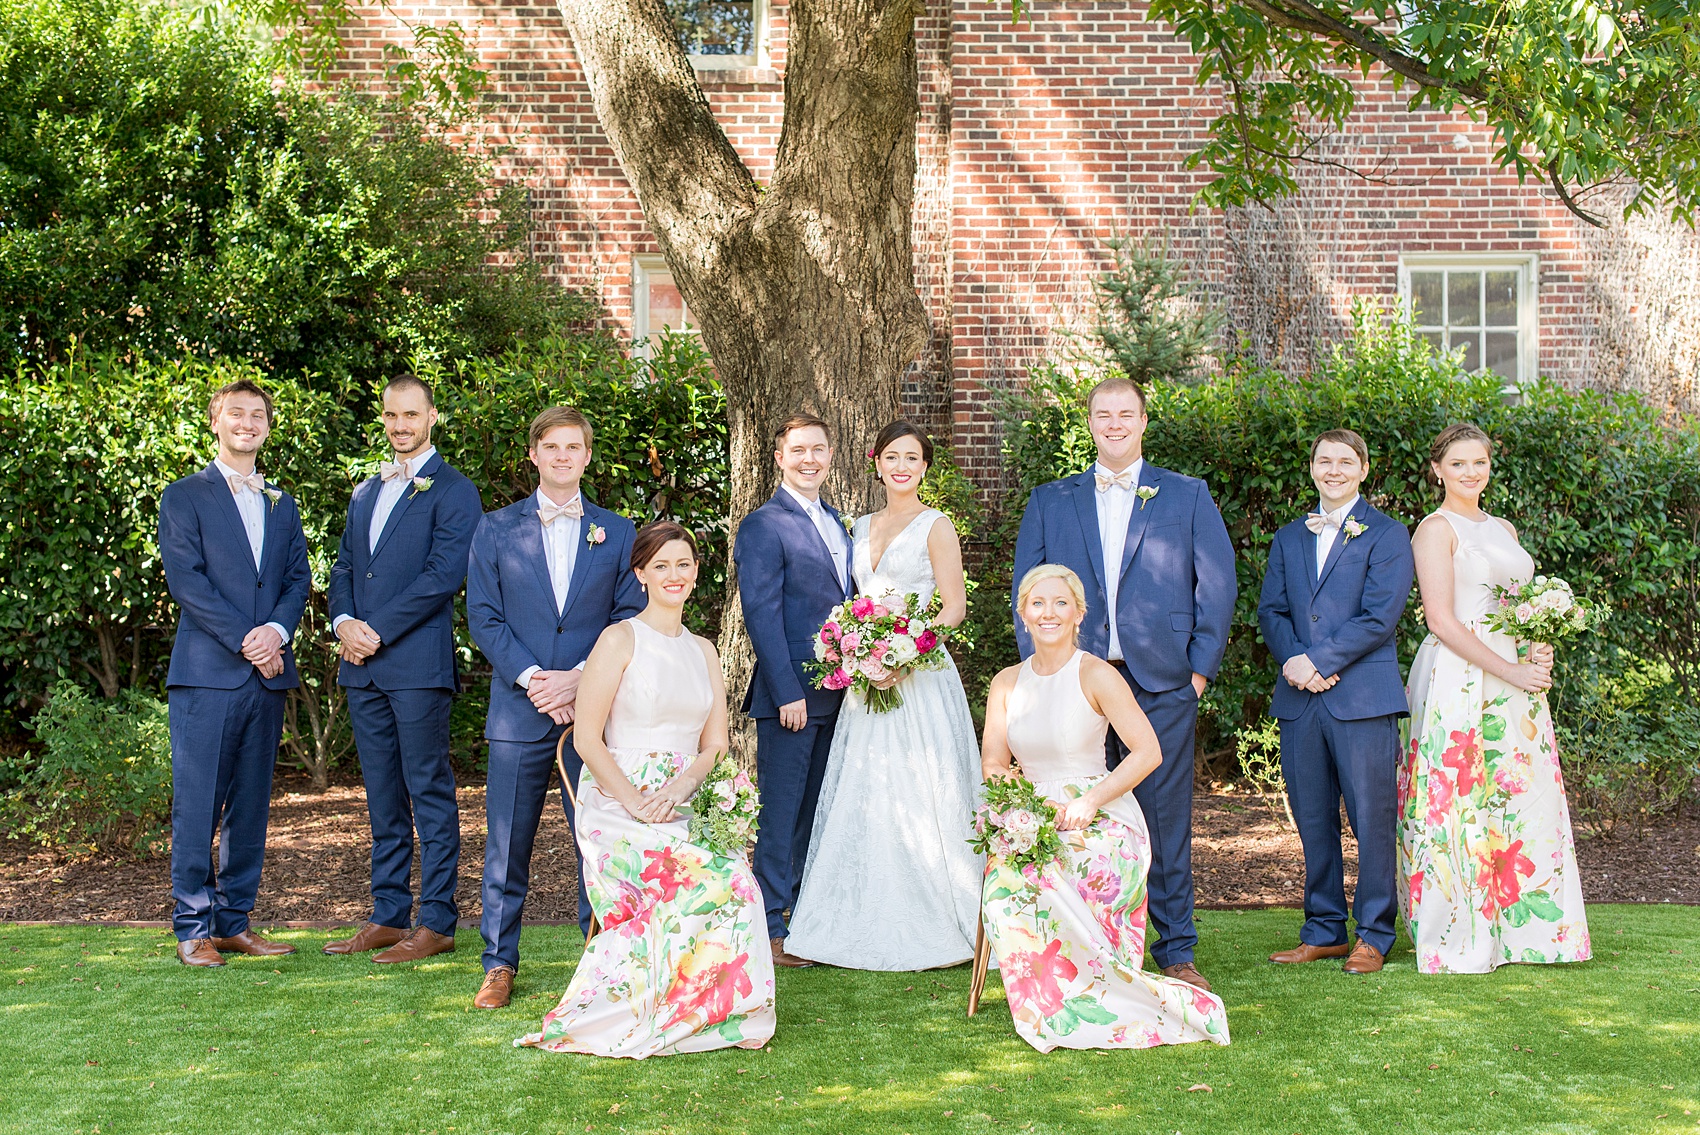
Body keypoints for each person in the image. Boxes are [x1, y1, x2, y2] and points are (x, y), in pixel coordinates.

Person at [517, 522, 776, 1057]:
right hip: (617, 802)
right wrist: (636, 802)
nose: (673, 575)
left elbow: (715, 745)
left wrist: (681, 788)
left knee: (739, 881)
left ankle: (714, 1012)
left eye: (683, 564)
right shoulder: (619, 639)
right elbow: (587, 739)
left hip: (685, 798)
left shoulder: (704, 649)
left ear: (696, 572)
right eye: (661, 566)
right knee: (702, 876)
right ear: (640, 574)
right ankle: (651, 1008)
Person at [1010, 377, 1235, 991]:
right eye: (1103, 414)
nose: (1114, 423)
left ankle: (1176, 946)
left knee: (1164, 813)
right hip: (1075, 682)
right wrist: (1044, 670)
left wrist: (1198, 669)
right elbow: (1025, 589)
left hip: (1160, 680)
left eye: (1126, 414)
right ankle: (1084, 936)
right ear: (1089, 422)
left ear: (1143, 422)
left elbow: (1216, 584)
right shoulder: (1051, 500)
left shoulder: (1186, 495)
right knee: (1077, 805)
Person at [979, 565, 1230, 1052]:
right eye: (1037, 603)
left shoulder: (1096, 673)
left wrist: (1090, 802)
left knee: (1085, 859)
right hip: (1030, 811)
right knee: (1010, 875)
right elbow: (993, 762)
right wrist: (1023, 807)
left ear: (1078, 614)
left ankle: (1099, 986)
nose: (1048, 612)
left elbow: (1148, 752)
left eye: (1060, 603)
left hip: (1101, 810)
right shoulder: (1006, 682)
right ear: (1022, 613)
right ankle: (1049, 993)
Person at [784, 421, 982, 970]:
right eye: (892, 456)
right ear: (876, 463)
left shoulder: (936, 526)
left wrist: (904, 654)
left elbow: (953, 606)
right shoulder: (859, 524)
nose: (901, 466)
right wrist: (860, 652)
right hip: (866, 679)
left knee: (924, 787)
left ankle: (941, 911)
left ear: (924, 467)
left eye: (912, 458)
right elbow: (855, 600)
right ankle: (852, 914)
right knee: (867, 789)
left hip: (919, 675)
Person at [466, 406, 643, 1008]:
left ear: (587, 457)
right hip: (520, 711)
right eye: (553, 447)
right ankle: (498, 964)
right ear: (535, 455)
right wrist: (537, 678)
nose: (564, 456)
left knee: (595, 840)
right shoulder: (494, 529)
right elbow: (483, 617)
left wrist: (577, 680)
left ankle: (600, 959)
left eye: (574, 447)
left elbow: (627, 616)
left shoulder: (618, 532)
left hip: (591, 715)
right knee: (507, 843)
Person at [1399, 423, 1591, 974]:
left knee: (1520, 794)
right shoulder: (1435, 530)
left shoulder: (1503, 527)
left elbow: (1517, 608)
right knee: (1462, 798)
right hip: (1460, 675)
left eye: (1479, 462)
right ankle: (1459, 931)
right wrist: (1507, 666)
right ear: (1437, 470)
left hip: (1514, 681)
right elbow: (1440, 619)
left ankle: (1528, 934)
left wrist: (1535, 646)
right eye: (1458, 463)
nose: (1470, 473)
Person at [323, 375, 484, 963]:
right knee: (382, 797)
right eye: (391, 415)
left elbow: (442, 576)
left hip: (415, 667)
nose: (399, 426)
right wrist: (344, 623)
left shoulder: (454, 490)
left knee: (429, 792)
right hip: (361, 667)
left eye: (410, 415)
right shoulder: (366, 492)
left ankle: (436, 920)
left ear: (432, 417)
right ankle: (389, 915)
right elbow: (344, 567)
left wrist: (376, 630)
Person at [158, 379, 310, 966]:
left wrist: (276, 632)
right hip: (207, 676)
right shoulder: (184, 496)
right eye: (235, 413)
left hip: (266, 676)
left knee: (251, 806)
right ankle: (192, 926)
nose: (247, 422)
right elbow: (187, 581)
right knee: (198, 804)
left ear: (267, 426)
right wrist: (247, 640)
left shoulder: (282, 501)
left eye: (257, 414)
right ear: (216, 423)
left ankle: (234, 922)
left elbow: (297, 578)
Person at [1257, 429, 1414, 975]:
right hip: (1300, 699)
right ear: (1312, 468)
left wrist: (1320, 662)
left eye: (1346, 461)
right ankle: (1323, 929)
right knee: (1313, 818)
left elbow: (1379, 616)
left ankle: (1374, 933)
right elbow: (1271, 612)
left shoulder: (1389, 536)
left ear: (1364, 470)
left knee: (1372, 818)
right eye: (1325, 460)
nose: (1334, 469)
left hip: (1362, 698)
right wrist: (1296, 662)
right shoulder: (1289, 538)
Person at [733, 413, 854, 969]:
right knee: (780, 816)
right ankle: (772, 924)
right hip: (793, 698)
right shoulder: (764, 524)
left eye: (819, 449)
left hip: (843, 695)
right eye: (799, 450)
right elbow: (762, 613)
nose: (810, 458)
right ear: (779, 457)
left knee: (816, 811)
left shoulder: (836, 521)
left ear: (831, 455)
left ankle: (805, 917)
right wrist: (786, 692)